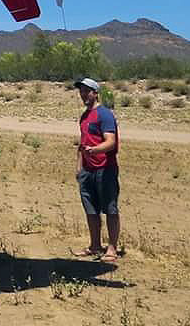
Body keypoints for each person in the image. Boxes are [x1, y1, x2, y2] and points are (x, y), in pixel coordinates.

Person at [73, 77, 121, 261]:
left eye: (87, 91)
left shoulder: (105, 115)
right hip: (88, 170)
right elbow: (82, 142)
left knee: (110, 208)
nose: (83, 95)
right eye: (81, 91)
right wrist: (79, 167)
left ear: (95, 93)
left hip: (105, 169)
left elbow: (110, 142)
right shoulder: (85, 116)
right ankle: (94, 246)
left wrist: (94, 150)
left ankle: (112, 248)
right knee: (91, 209)